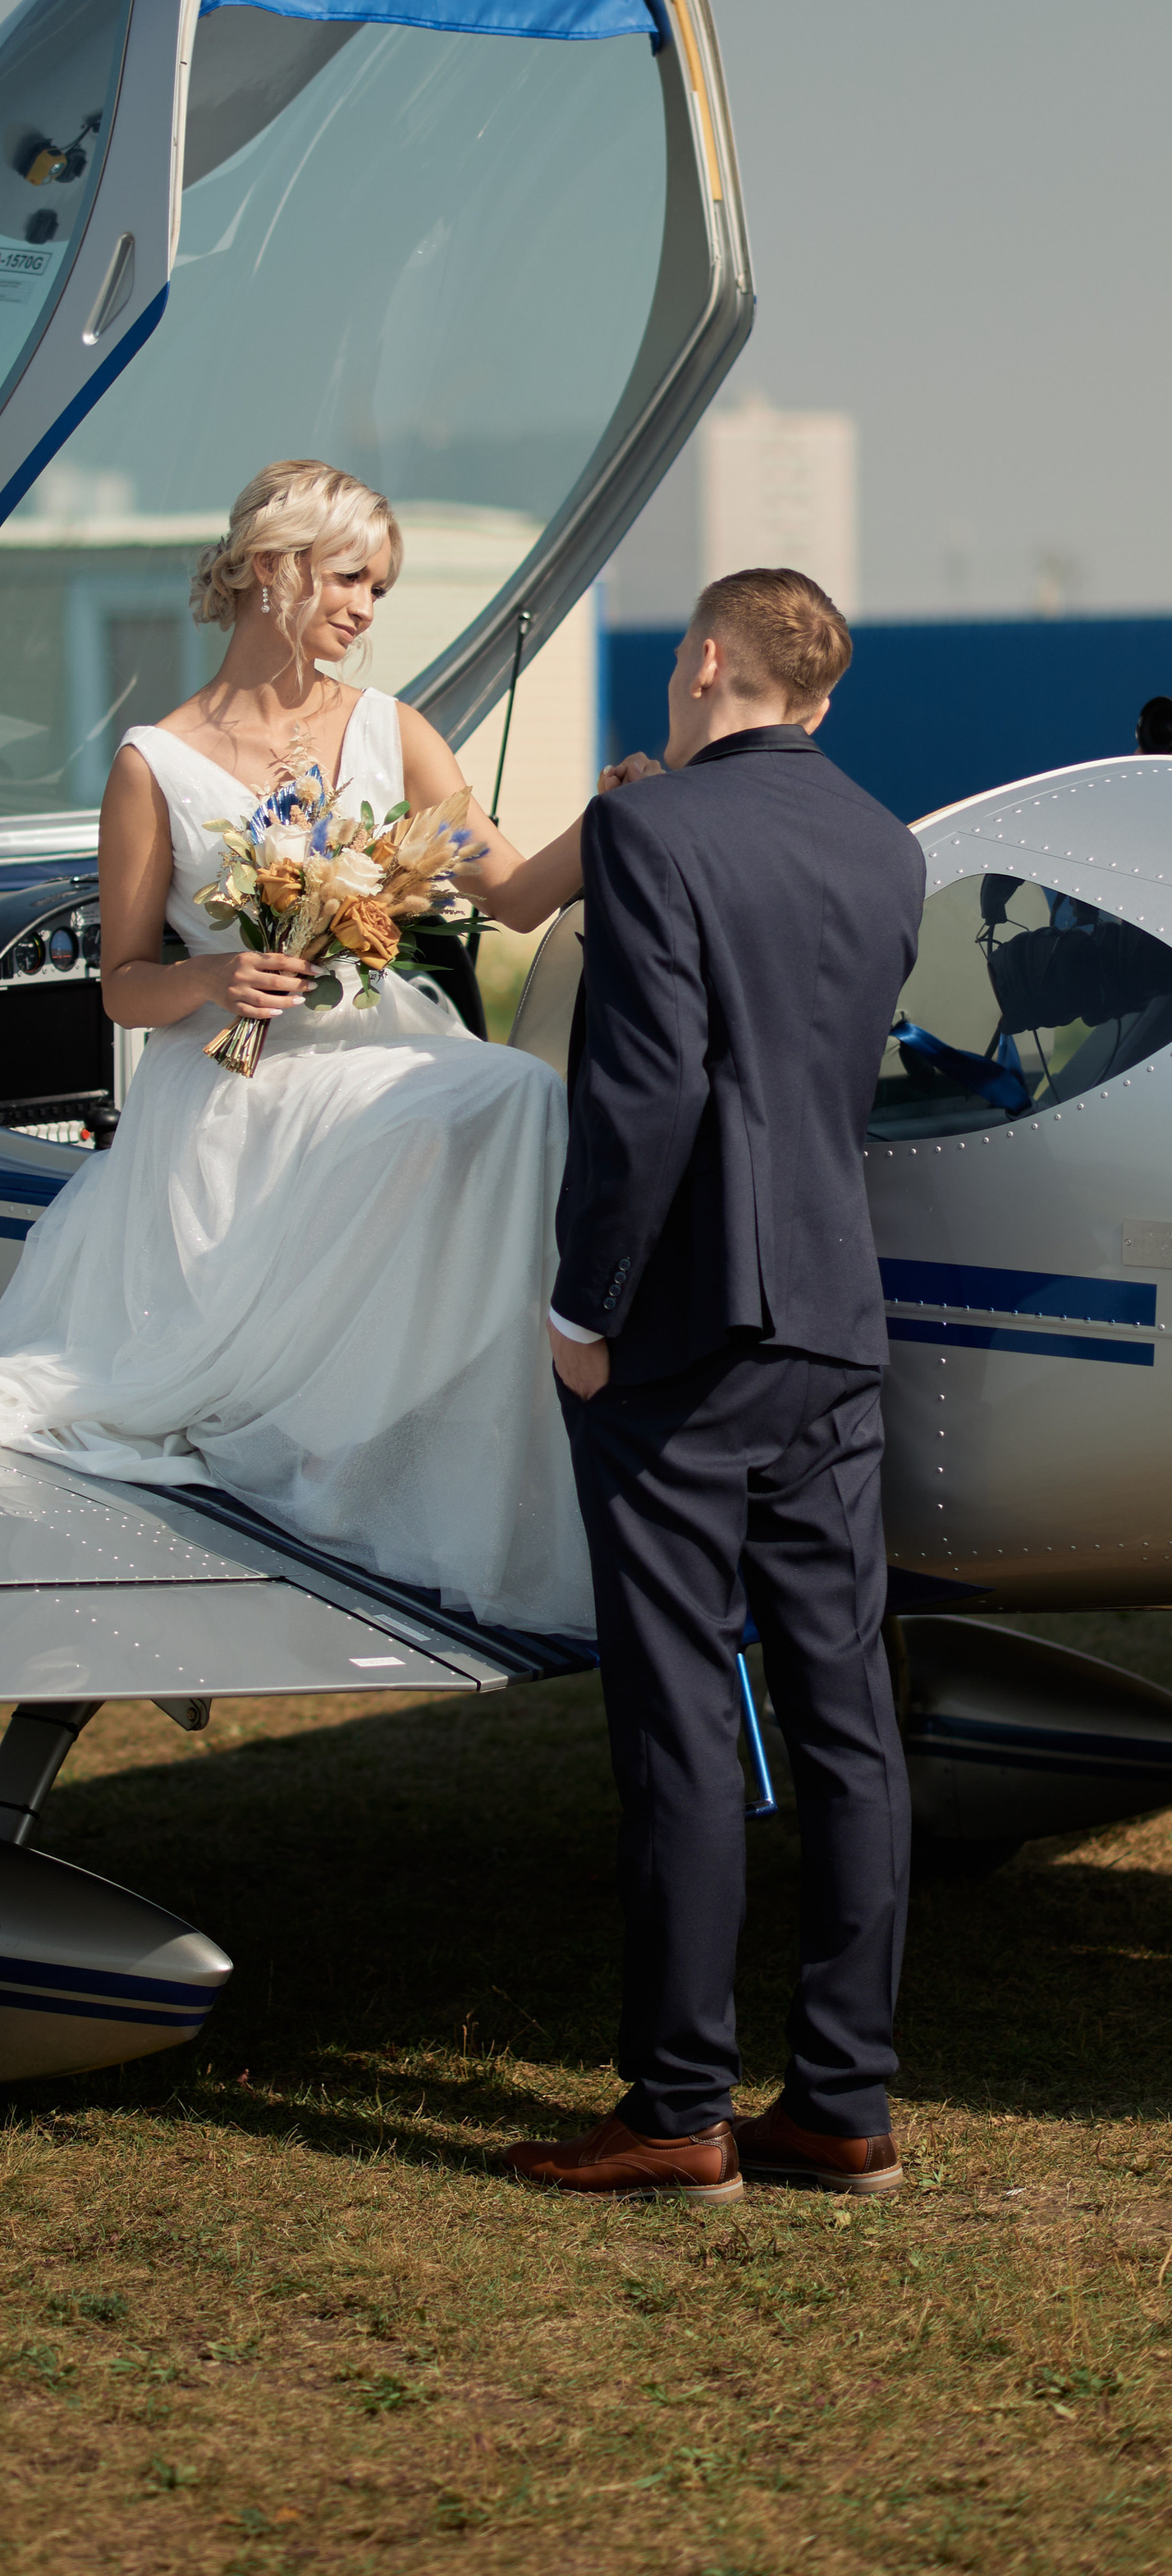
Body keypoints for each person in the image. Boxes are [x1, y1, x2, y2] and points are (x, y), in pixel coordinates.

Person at [0, 460, 629, 1631]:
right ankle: (314, 1438)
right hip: (233, 1086)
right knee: (494, 1103)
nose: (370, 607)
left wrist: (625, 812)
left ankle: (396, 1440)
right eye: (355, 577)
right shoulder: (153, 765)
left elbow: (517, 891)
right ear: (279, 569)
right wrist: (218, 971)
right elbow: (122, 989)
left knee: (516, 1095)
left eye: (382, 584)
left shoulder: (394, 732)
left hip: (373, 1047)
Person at [507, 569, 927, 2203]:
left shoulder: (653, 831)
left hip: (681, 1330)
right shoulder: (886, 844)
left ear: (700, 666)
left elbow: (642, 1094)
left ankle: (678, 2104)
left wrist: (579, 1303)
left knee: (678, 1718)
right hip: (835, 1312)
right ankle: (842, 2103)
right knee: (845, 1725)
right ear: (813, 698)